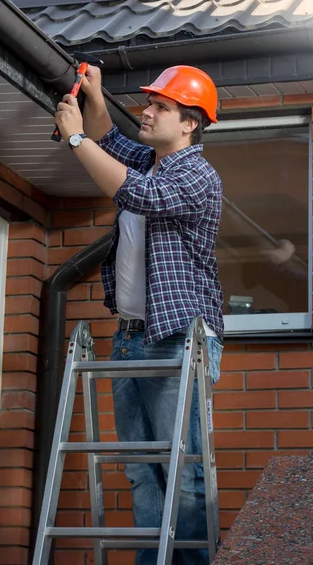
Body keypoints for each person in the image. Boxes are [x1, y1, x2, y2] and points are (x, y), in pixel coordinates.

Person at [54, 65, 224, 565]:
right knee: (140, 468)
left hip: (177, 339)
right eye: (150, 103)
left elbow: (136, 194)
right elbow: (110, 142)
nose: (147, 112)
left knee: (183, 471)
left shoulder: (196, 175)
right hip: (130, 337)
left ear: (190, 123)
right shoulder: (149, 161)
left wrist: (75, 138)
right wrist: (95, 97)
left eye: (161, 107)